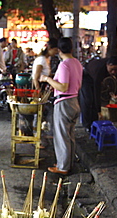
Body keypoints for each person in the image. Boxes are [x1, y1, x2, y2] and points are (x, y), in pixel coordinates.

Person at [40, 37, 83, 175]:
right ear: (71, 48)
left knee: (62, 136)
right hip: (74, 101)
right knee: (69, 135)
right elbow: (78, 84)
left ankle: (63, 167)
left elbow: (63, 87)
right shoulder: (77, 63)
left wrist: (47, 79)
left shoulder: (64, 65)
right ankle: (66, 163)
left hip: (64, 102)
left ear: (59, 50)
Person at [79, 56, 117, 131]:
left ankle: (95, 123)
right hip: (85, 77)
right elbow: (97, 91)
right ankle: (87, 125)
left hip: (95, 78)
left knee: (94, 103)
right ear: (107, 65)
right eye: (112, 70)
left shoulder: (113, 65)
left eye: (116, 70)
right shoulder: (98, 70)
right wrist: (99, 110)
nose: (114, 72)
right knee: (88, 100)